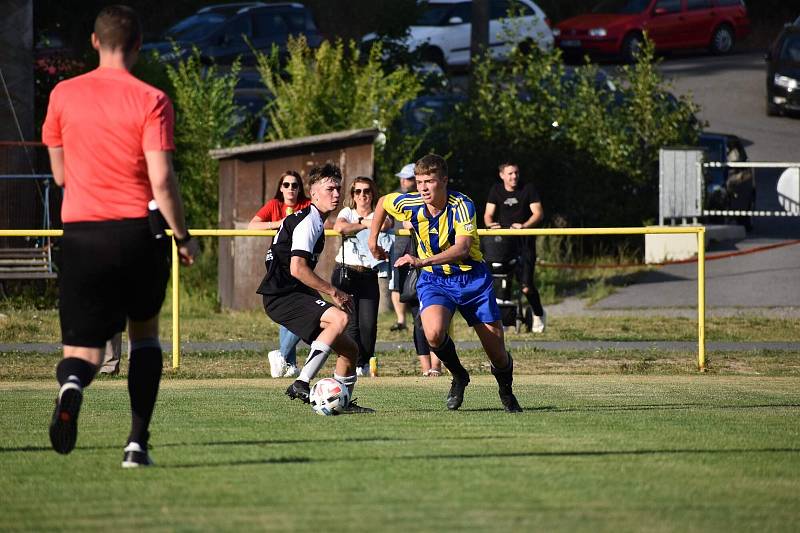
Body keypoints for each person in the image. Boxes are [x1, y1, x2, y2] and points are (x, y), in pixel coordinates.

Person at [42, 5, 197, 467]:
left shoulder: (63, 95)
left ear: (94, 42)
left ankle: (71, 387)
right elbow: (163, 180)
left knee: (81, 351)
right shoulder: (151, 99)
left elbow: (60, 175)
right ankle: (135, 444)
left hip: (82, 233)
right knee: (144, 337)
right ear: (138, 44)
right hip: (135, 233)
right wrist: (183, 236)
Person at [368, 154, 522, 413]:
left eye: (429, 181)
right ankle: (460, 376)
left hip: (472, 279)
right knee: (433, 333)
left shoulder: (462, 205)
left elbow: (462, 249)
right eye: (418, 182)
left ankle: (506, 389)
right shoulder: (411, 202)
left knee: (497, 353)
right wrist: (373, 241)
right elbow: (383, 201)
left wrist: (420, 261)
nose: (423, 188)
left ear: (444, 180)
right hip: (435, 279)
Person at [256, 163, 373, 413]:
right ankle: (301, 381)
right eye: (330, 188)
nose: (336, 194)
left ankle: (342, 403)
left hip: (292, 293)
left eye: (338, 189)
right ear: (314, 192)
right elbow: (297, 269)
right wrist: (333, 291)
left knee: (350, 350)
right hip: (282, 296)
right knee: (340, 318)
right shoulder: (308, 221)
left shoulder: (314, 221)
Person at [248, 170, 311, 378]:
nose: (290, 189)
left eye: (294, 185)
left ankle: (288, 362)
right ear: (280, 187)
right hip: (280, 264)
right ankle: (284, 357)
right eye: (286, 185)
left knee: (293, 312)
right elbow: (252, 226)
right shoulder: (274, 205)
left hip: (300, 262)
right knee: (299, 313)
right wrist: (279, 223)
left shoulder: (306, 205)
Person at [332, 176, 392, 377]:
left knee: (368, 324)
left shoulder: (378, 212)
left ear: (372, 193)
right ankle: (354, 364)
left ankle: (365, 361)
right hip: (346, 271)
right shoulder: (347, 212)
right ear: (352, 195)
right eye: (358, 191)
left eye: (366, 191)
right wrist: (366, 223)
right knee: (351, 323)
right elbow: (339, 227)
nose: (362, 195)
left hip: (368, 274)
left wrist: (360, 224)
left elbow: (385, 224)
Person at [484, 162, 546, 332]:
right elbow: (488, 215)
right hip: (504, 244)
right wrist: (491, 225)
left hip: (525, 243)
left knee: (526, 286)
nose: (514, 176)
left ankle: (538, 314)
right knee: (502, 284)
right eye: (510, 173)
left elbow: (538, 213)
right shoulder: (496, 190)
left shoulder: (528, 189)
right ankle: (506, 320)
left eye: (516, 173)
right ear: (502, 175)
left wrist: (524, 226)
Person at [387, 163, 417, 332]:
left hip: (418, 246)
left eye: (408, 178)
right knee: (396, 284)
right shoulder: (394, 197)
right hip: (398, 246)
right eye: (403, 178)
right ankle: (401, 321)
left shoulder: (424, 196)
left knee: (417, 283)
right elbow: (387, 220)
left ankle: (418, 318)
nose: (404, 181)